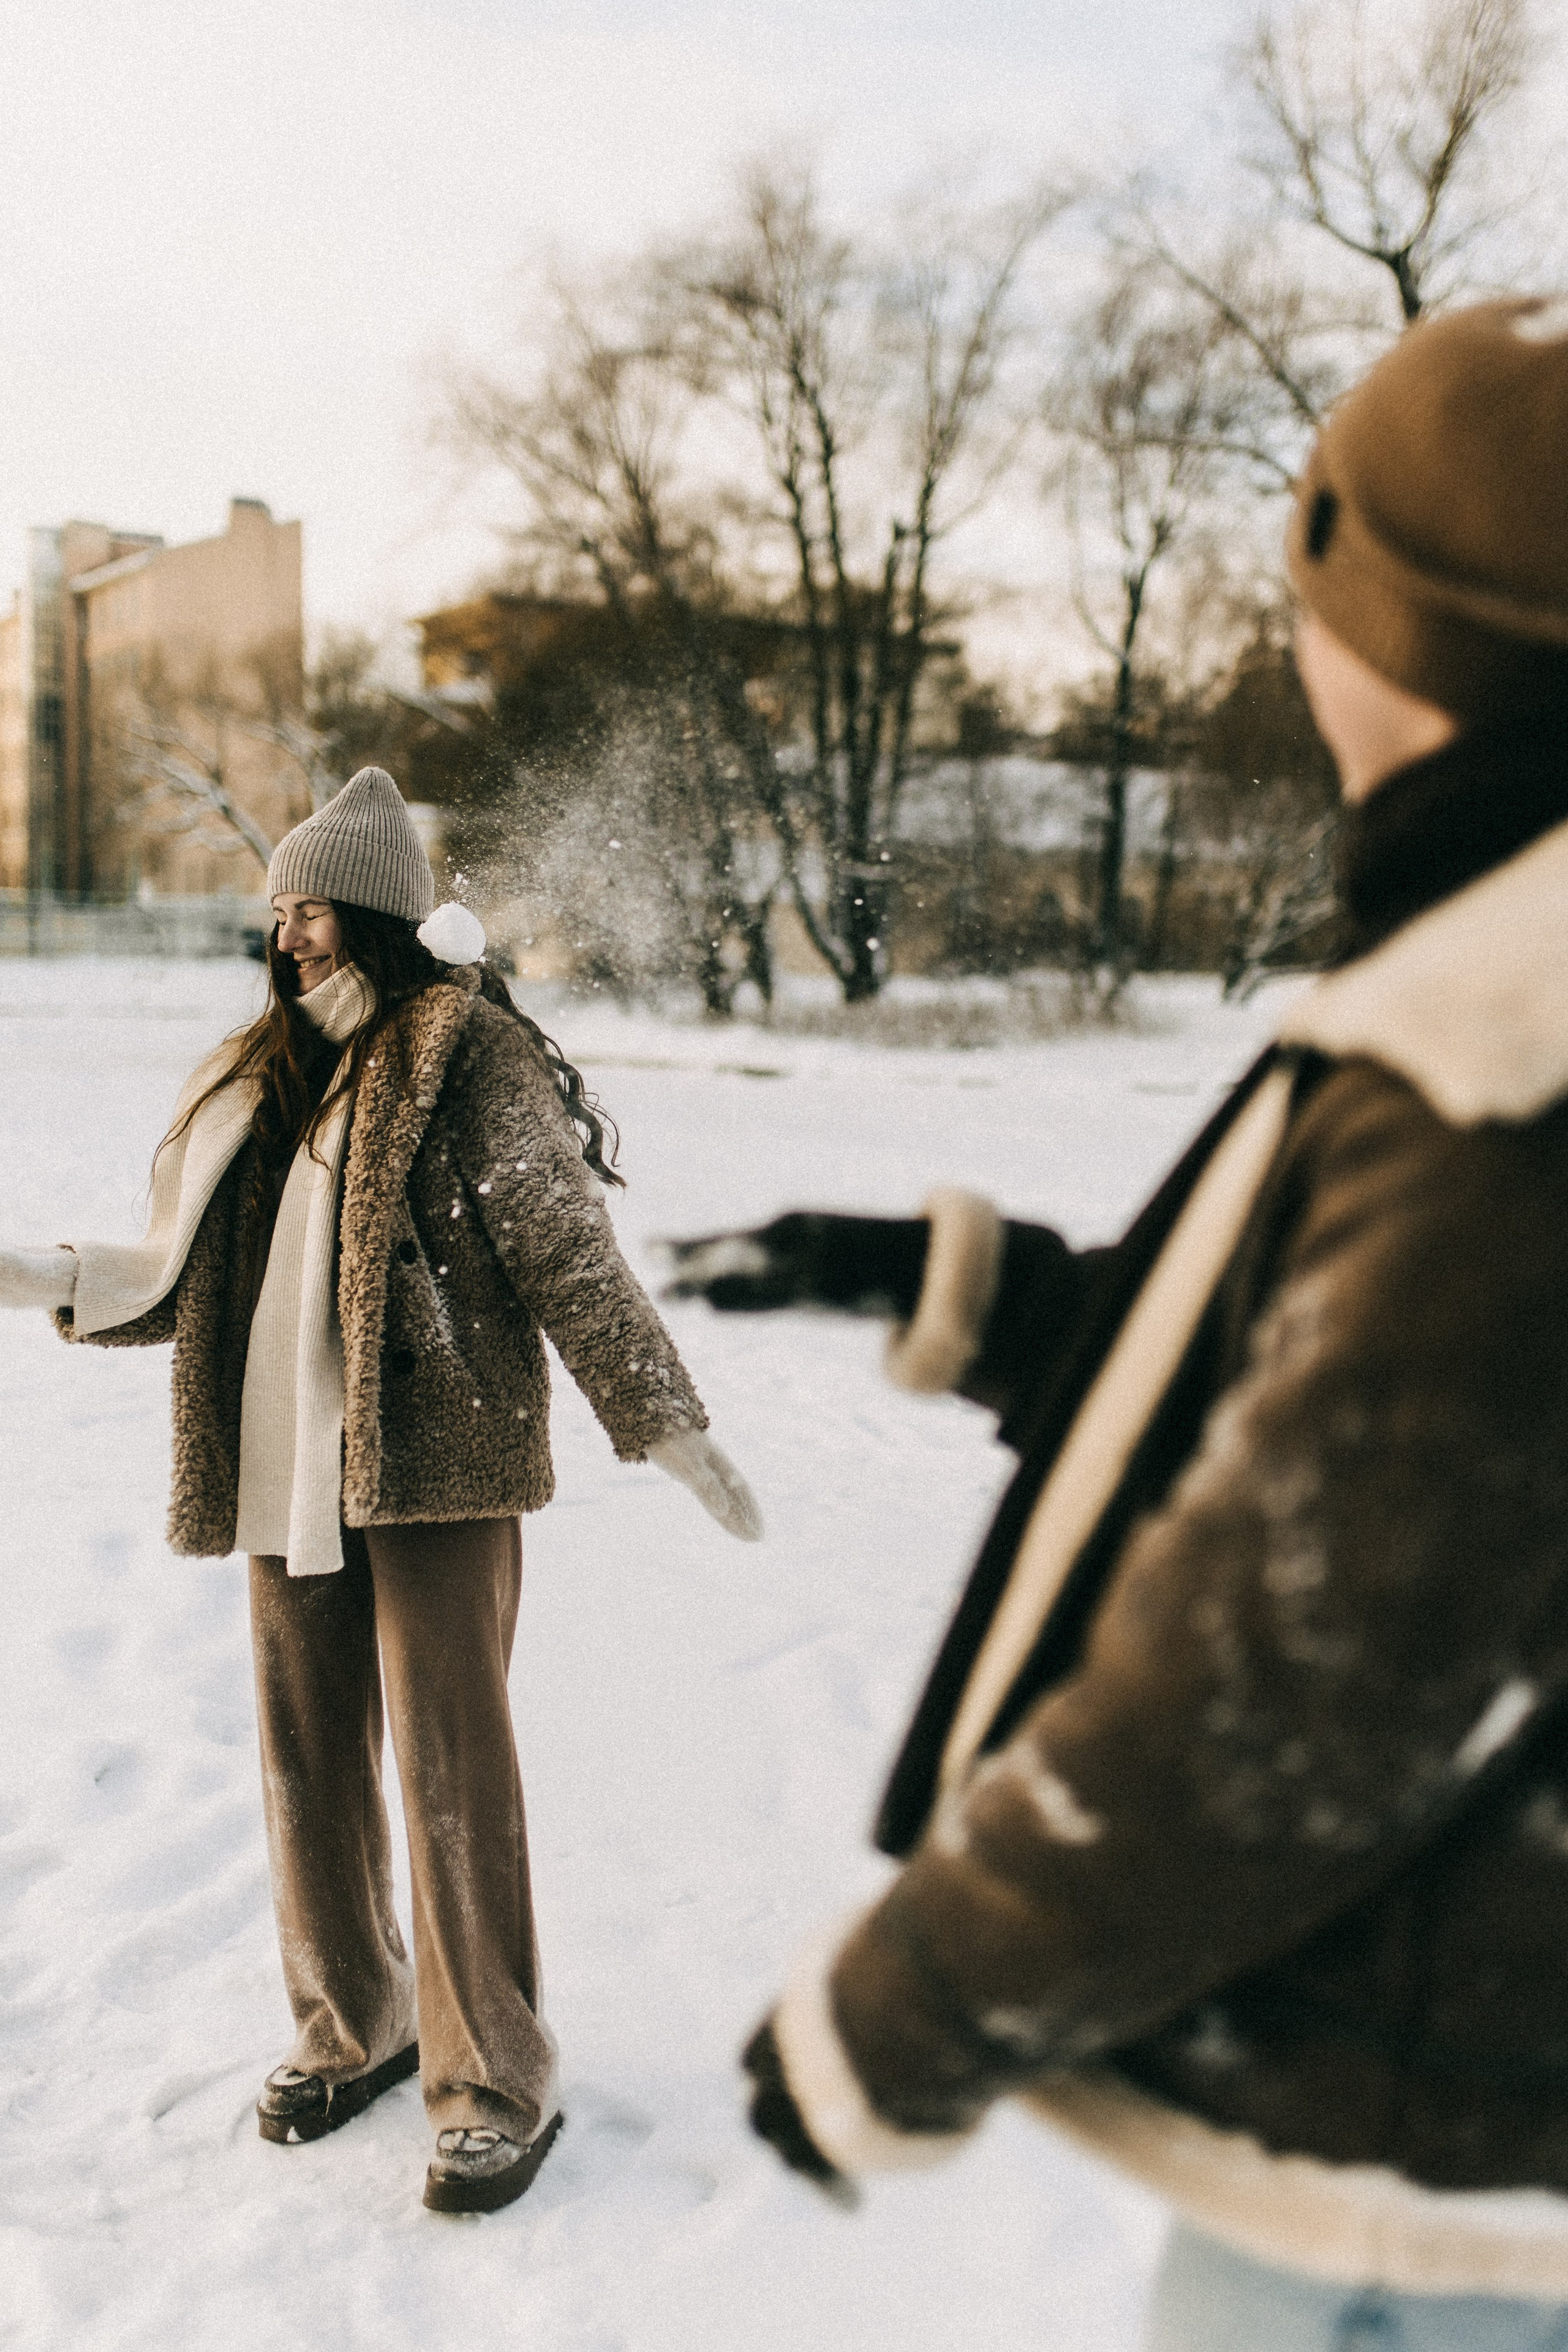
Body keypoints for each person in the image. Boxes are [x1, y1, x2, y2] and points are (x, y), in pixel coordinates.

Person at [669, 298, 1568, 2346]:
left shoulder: (1505, 1066)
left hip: (1419, 2180)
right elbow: (1379, 1428)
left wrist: (893, 2020)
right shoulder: (1496, 959)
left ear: (1400, 633)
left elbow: (1289, 1686)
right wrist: (973, 1298)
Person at [0, 767, 761, 2216]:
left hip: (436, 1463)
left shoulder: (461, 1052)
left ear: (372, 913)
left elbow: (558, 1246)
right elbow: (188, 1278)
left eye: (307, 906)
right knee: (306, 1764)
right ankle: (355, 2022)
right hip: (285, 1468)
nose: (283, 934)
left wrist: (662, 1421)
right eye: (278, 908)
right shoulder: (260, 1077)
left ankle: (493, 2077)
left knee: (449, 1773)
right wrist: (49, 1277)